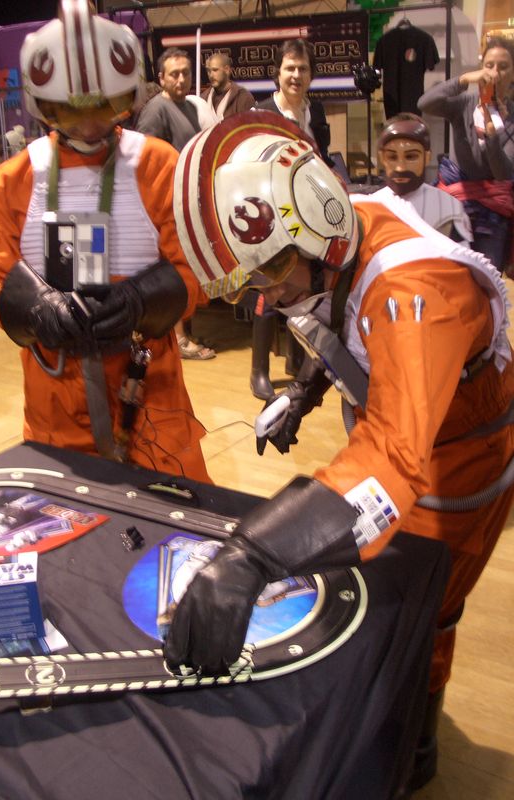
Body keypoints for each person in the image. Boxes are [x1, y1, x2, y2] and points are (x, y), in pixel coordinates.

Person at [165, 111, 514, 792]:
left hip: (455, 467)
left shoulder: (417, 293)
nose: (268, 295)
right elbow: (346, 316)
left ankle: (415, 750)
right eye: (252, 284)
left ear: (314, 219)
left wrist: (253, 556)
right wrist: (304, 391)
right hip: (406, 431)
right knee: (384, 599)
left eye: (272, 271)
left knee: (425, 611)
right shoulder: (341, 234)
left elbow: (392, 459)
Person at [0, 0, 210, 483]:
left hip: (149, 383)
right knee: (68, 509)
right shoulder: (13, 180)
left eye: (104, 106)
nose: (90, 123)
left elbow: (199, 266)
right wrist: (39, 312)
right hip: (57, 388)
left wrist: (140, 301)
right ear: (43, 105)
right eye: (69, 111)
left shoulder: (158, 165)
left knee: (170, 505)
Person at [250, 38, 333, 399]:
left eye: (303, 69)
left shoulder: (316, 112)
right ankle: (258, 372)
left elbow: (322, 158)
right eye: (290, 68)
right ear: (277, 73)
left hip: (308, 214)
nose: (296, 75)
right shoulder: (261, 112)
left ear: (311, 75)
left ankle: (296, 360)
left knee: (305, 287)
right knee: (271, 289)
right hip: (271, 217)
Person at [136, 47, 217, 360]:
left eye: (185, 73)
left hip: (183, 206)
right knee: (172, 271)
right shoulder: (156, 110)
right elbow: (144, 161)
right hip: (165, 209)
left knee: (184, 270)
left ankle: (183, 334)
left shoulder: (189, 107)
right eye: (174, 74)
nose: (181, 79)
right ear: (161, 78)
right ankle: (179, 339)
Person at [418, 36, 514, 273]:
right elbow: (425, 103)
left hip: (493, 213)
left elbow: (503, 173)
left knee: (486, 277)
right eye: (489, 65)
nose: (495, 73)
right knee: (448, 272)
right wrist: (463, 79)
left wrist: (492, 133)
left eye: (503, 67)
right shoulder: (464, 104)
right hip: (454, 205)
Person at [375, 112, 472, 244]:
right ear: (382, 158)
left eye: (411, 157)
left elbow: (461, 255)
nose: (400, 167)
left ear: (427, 157)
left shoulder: (449, 207)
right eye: (392, 157)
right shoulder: (369, 207)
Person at [200, 52, 255, 120]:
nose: (211, 75)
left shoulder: (242, 97)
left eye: (215, 70)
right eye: (208, 71)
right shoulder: (203, 99)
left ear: (227, 70)